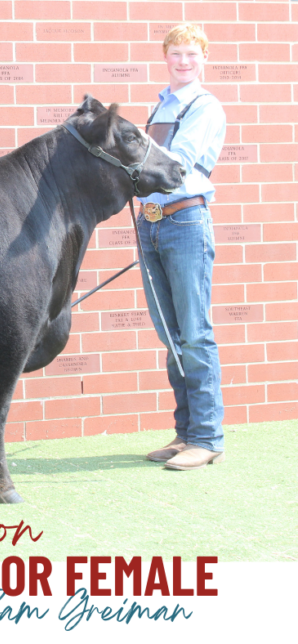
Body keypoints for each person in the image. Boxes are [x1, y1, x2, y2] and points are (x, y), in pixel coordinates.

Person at [138, 24, 227, 470]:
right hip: (150, 225)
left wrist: (129, 163)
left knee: (194, 333)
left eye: (191, 54)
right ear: (166, 57)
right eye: (176, 53)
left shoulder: (204, 106)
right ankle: (185, 433)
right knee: (171, 337)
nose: (183, 61)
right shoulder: (161, 105)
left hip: (186, 220)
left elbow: (177, 162)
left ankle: (208, 438)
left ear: (203, 58)